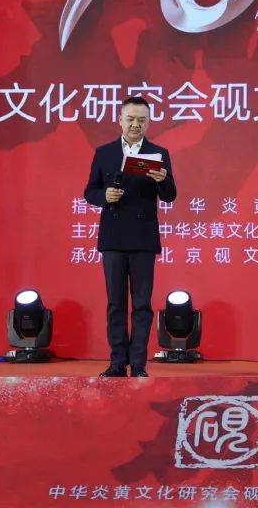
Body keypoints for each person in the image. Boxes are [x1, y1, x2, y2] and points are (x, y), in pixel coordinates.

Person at [83, 96, 176, 377]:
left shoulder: (158, 154)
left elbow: (170, 195)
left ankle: (138, 364)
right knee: (115, 304)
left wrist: (162, 180)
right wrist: (105, 196)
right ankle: (117, 363)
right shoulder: (104, 153)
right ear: (120, 120)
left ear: (149, 123)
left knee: (142, 305)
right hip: (113, 237)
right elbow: (90, 191)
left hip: (143, 239)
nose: (136, 124)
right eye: (131, 119)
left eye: (142, 120)